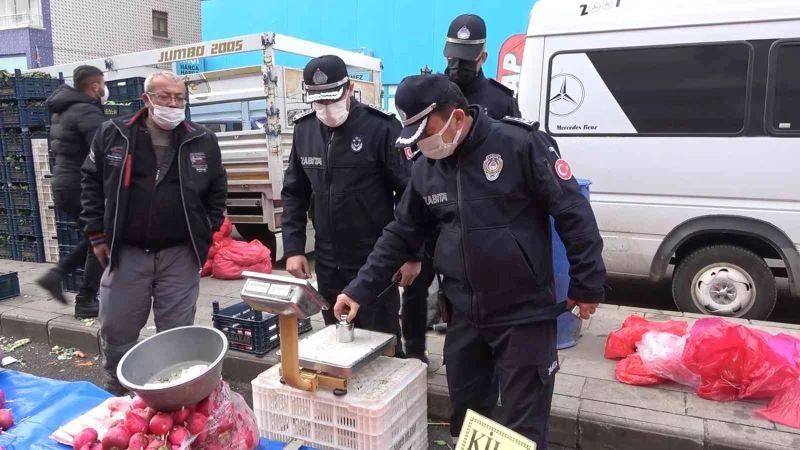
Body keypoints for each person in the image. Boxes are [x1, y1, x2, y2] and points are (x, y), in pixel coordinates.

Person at [334, 74, 606, 448]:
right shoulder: (427, 168)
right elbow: (401, 232)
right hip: (464, 315)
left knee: (521, 431)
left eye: (425, 133)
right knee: (468, 422)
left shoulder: (519, 145)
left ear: (457, 118)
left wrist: (587, 283)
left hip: (523, 316)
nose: (422, 144)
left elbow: (574, 212)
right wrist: (359, 289)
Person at [80, 71, 227, 395]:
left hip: (179, 254)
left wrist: (208, 227)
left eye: (179, 98)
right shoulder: (114, 133)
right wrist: (96, 234)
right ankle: (116, 391)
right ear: (146, 100)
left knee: (176, 333)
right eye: (165, 97)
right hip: (128, 252)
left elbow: (218, 187)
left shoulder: (201, 139)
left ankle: (170, 394)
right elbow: (91, 182)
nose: (173, 104)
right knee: (117, 327)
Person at [400, 13, 527, 361]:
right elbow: (415, 156)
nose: (456, 64)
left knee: (470, 286)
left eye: (465, 58)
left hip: (480, 213)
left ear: (482, 57)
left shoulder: (500, 100)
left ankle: (474, 348)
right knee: (415, 284)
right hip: (435, 206)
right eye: (452, 56)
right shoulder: (431, 94)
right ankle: (415, 351)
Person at [281, 55, 420, 355]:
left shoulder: (381, 128)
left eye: (332, 99)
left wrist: (413, 254)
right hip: (328, 261)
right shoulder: (304, 130)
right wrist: (293, 248)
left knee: (382, 341)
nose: (326, 109)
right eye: (318, 102)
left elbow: (411, 195)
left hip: (374, 259)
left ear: (350, 89)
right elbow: (294, 192)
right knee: (338, 339)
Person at [36, 65, 107, 318]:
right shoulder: (86, 111)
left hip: (65, 182)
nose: (104, 88)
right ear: (94, 86)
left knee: (94, 238)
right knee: (100, 238)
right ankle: (85, 298)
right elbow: (103, 150)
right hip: (80, 185)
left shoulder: (63, 110)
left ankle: (61, 279)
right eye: (103, 83)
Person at [444, 13, 520, 119]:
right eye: (454, 57)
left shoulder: (502, 102)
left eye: (467, 59)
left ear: (483, 58)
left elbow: (514, 135)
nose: (459, 64)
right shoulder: (431, 93)